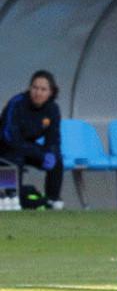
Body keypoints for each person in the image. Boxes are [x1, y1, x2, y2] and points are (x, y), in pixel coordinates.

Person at [0, 71, 63, 210]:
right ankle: (11, 197)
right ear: (30, 88)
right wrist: (39, 154)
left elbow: (53, 138)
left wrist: (51, 153)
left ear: (51, 92)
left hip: (27, 148)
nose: (38, 93)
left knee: (57, 160)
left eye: (43, 89)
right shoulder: (17, 103)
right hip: (5, 148)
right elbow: (9, 137)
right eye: (35, 88)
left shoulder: (52, 109)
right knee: (15, 158)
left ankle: (53, 200)